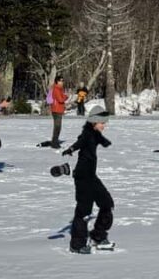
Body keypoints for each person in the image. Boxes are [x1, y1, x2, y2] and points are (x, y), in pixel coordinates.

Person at [62, 105, 114, 254]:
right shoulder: (87, 134)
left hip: (92, 177)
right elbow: (80, 143)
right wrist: (70, 149)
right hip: (82, 177)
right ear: (94, 122)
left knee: (107, 203)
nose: (104, 125)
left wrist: (106, 143)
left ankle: (98, 235)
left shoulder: (95, 134)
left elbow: (102, 140)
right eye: (102, 123)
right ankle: (77, 245)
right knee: (84, 211)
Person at [50, 76, 68, 148]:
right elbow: (60, 99)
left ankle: (55, 141)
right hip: (56, 110)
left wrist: (65, 96)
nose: (62, 82)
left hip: (59, 110)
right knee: (57, 127)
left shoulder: (60, 89)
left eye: (63, 80)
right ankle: (54, 143)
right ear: (57, 81)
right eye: (61, 80)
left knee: (58, 127)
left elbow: (62, 98)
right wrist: (66, 97)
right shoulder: (56, 89)